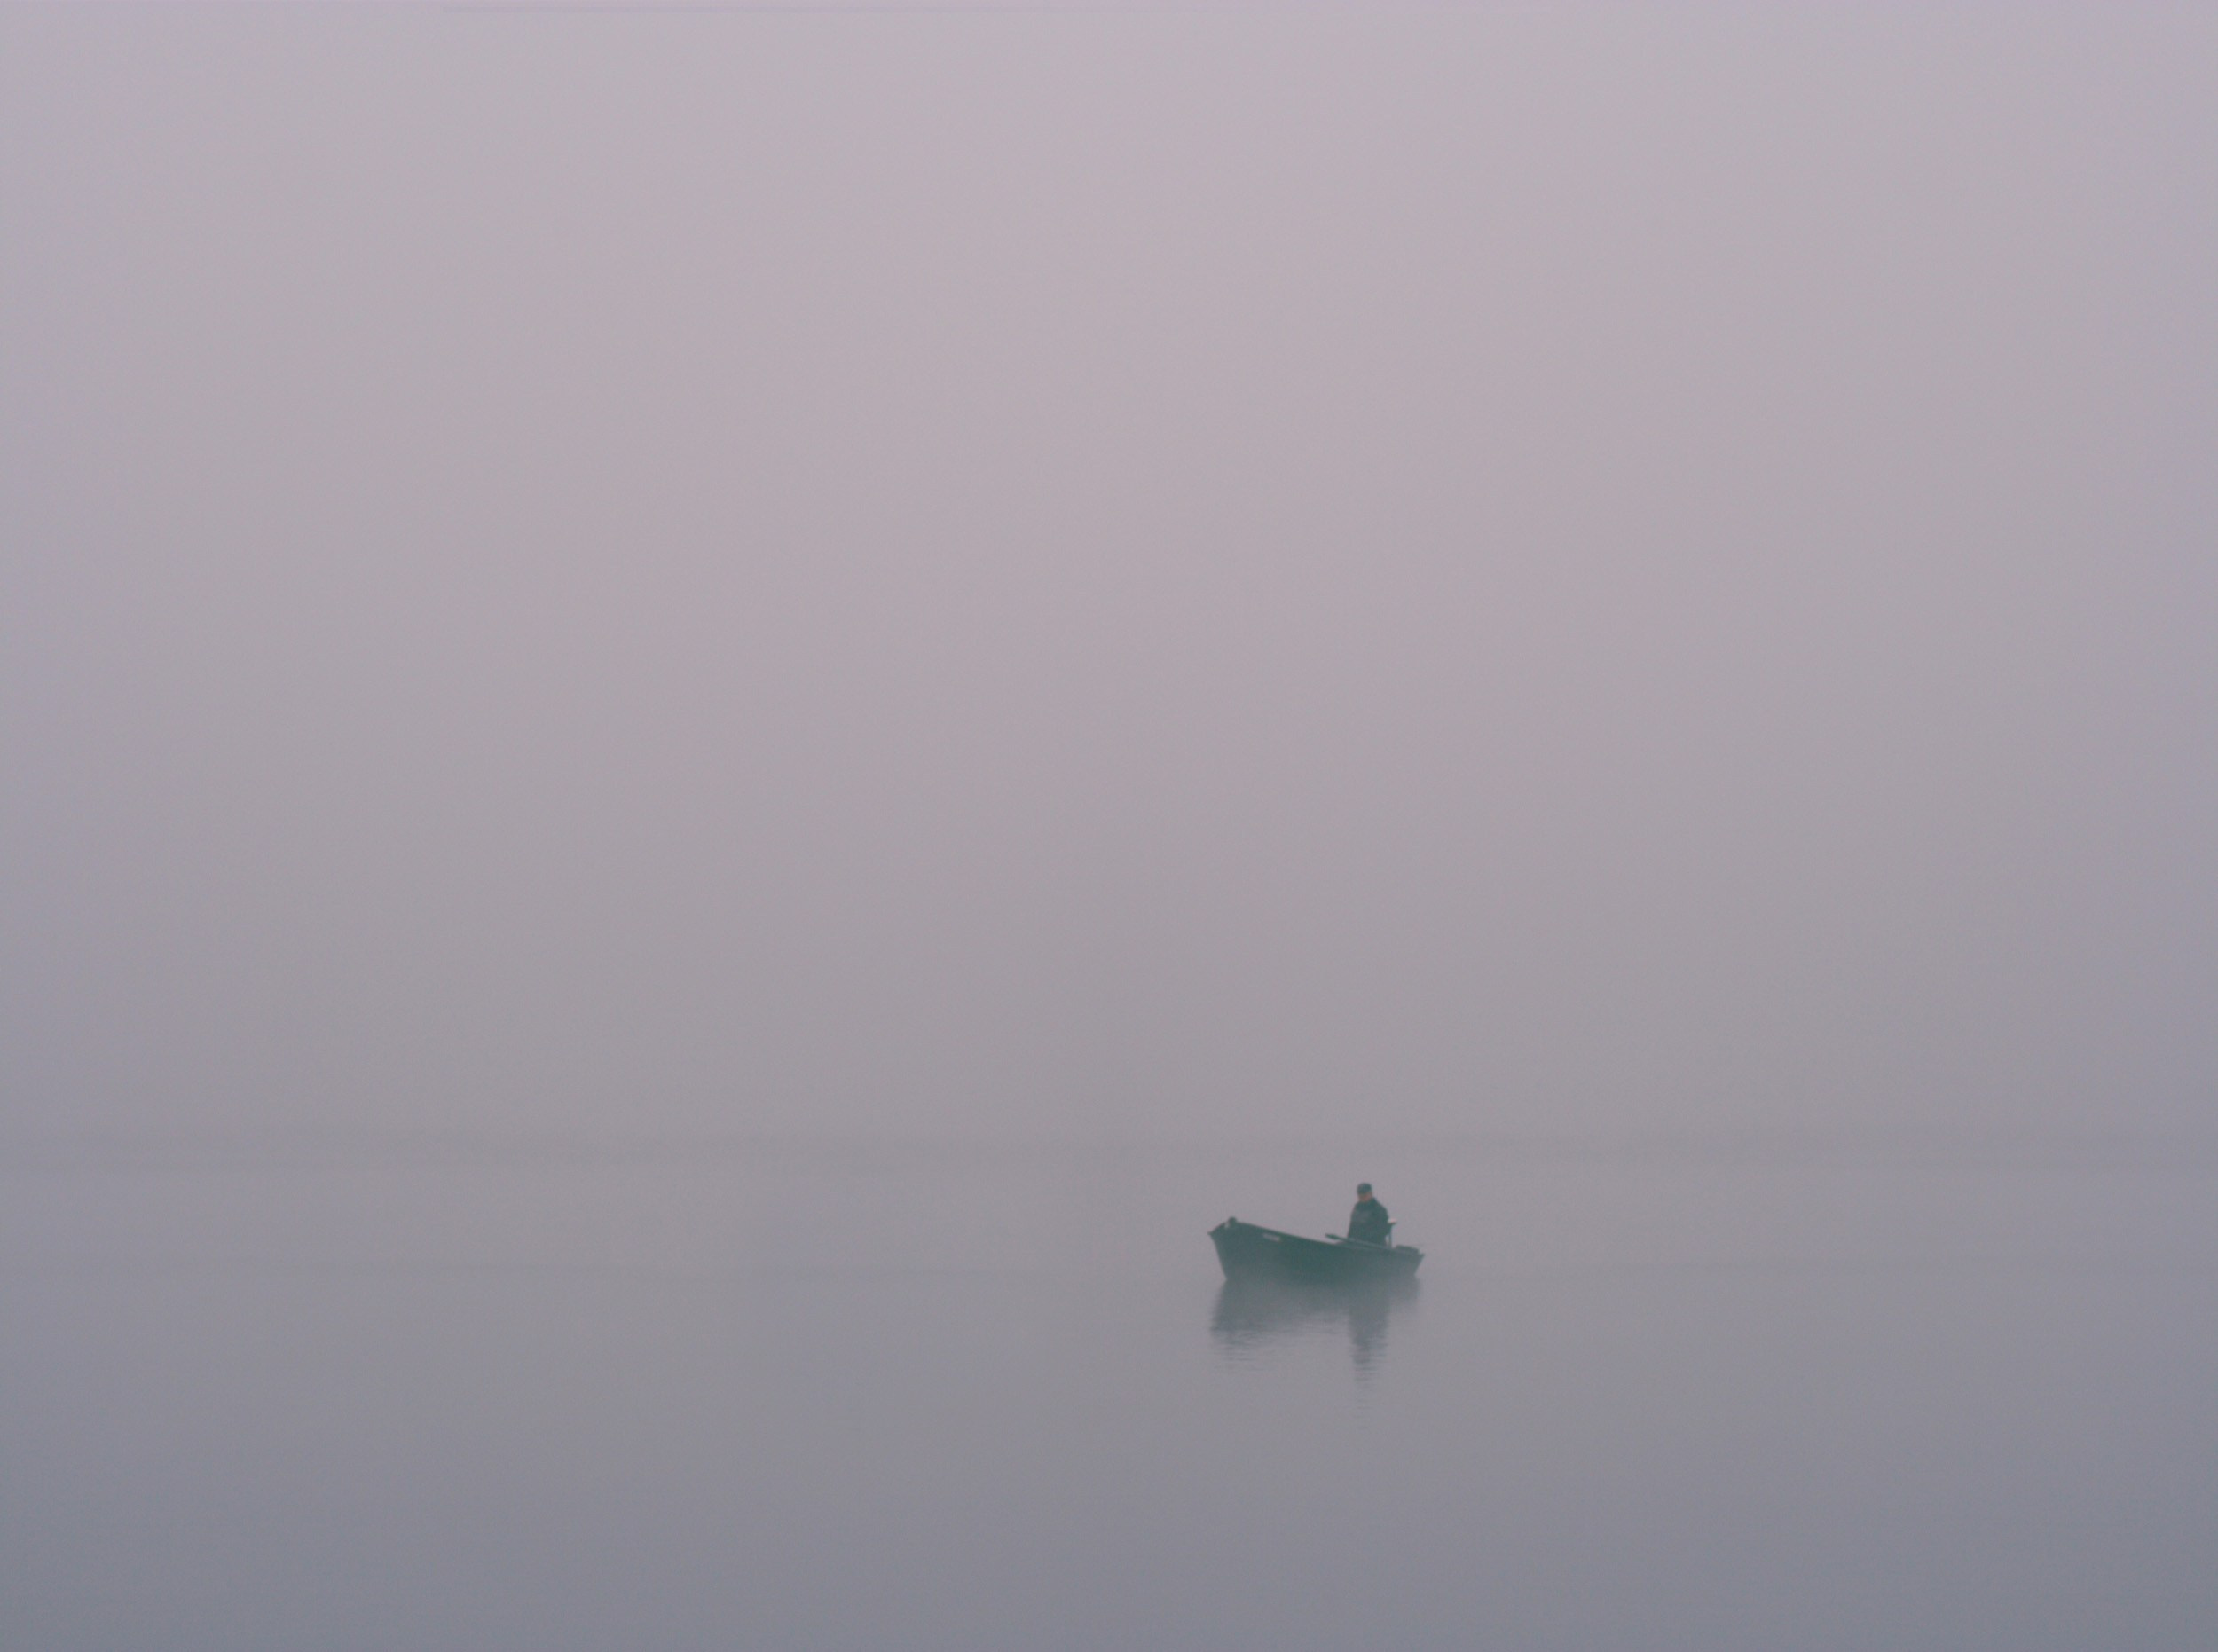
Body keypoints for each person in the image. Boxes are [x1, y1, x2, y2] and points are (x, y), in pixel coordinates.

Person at [1346, 1182, 1392, 1247]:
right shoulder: (1357, 1209)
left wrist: (1367, 1237)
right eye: (1360, 1195)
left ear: (1370, 1194)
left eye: (1364, 1195)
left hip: (1374, 1247)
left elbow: (1384, 1230)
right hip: (1355, 1245)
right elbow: (1352, 1228)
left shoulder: (1379, 1210)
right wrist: (1349, 1240)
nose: (1362, 1197)